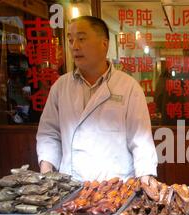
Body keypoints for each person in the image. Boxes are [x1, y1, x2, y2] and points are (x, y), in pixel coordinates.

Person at [36, 16, 157, 182]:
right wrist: (46, 169)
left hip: (116, 188)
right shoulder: (60, 86)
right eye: (71, 40)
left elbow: (141, 139)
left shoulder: (129, 87)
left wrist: (145, 177)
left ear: (104, 44)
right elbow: (49, 132)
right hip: (69, 185)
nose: (74, 46)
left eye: (81, 39)